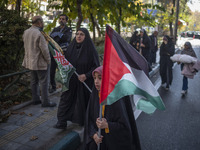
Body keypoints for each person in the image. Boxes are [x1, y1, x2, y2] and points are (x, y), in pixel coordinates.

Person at [83, 66, 141, 150]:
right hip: (98, 141)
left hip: (113, 142)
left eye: (100, 78)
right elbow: (89, 120)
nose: (96, 81)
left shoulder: (117, 99)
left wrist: (107, 125)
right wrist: (94, 135)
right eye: (94, 78)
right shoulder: (95, 95)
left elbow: (124, 128)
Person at [53, 28, 99, 129]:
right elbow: (65, 63)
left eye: (81, 34)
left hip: (85, 81)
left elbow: (96, 66)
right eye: (77, 34)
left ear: (86, 36)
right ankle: (61, 121)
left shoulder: (90, 49)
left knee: (83, 101)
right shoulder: (71, 47)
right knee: (66, 99)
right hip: (71, 80)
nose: (78, 36)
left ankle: (83, 120)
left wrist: (86, 75)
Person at [22, 16, 56, 107]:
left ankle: (36, 99)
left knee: (34, 81)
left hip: (30, 62)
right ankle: (45, 102)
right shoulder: (39, 34)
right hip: (40, 62)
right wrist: (48, 60)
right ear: (39, 23)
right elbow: (44, 50)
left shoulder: (26, 32)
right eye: (43, 22)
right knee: (44, 82)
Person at [49, 14, 72, 93]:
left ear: (66, 21)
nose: (61, 20)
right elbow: (50, 38)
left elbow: (67, 39)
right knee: (52, 70)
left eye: (63, 19)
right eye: (60, 19)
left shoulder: (68, 29)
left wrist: (59, 35)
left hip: (63, 53)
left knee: (64, 70)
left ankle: (66, 86)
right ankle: (53, 86)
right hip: (54, 52)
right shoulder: (55, 29)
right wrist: (59, 36)